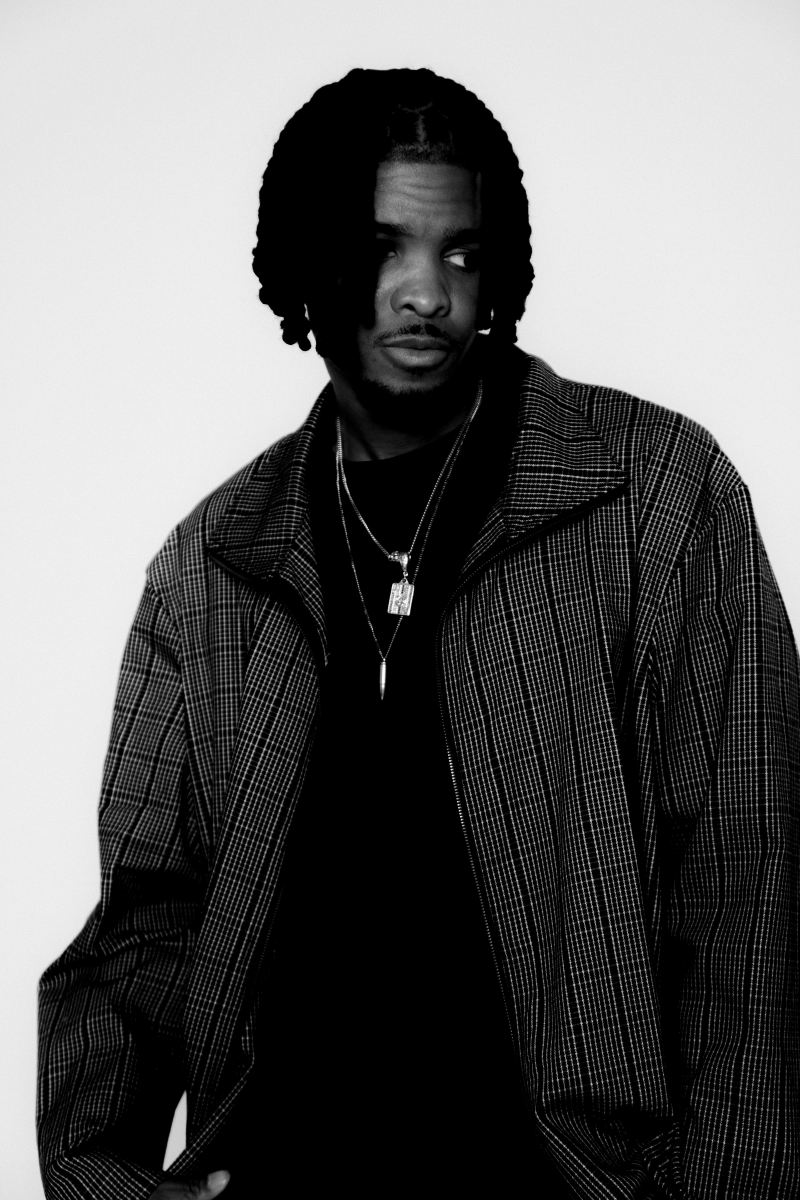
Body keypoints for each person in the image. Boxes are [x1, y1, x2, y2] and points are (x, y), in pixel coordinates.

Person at [37, 67, 798, 1200]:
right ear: (308, 265)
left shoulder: (654, 499)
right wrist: (107, 1184)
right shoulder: (214, 566)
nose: (426, 294)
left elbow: (749, 887)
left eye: (460, 252)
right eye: (383, 248)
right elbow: (143, 929)